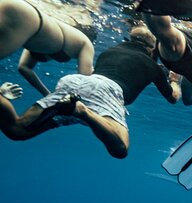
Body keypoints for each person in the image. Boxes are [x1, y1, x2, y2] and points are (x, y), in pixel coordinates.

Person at [0, 26, 179, 159]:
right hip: (105, 91)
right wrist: (174, 80)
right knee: (120, 149)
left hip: (73, 83)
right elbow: (173, 98)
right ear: (152, 49)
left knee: (17, 130)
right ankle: (81, 111)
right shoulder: (152, 65)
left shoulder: (109, 51)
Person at [0, 0, 94, 95]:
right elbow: (84, 84)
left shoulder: (60, 30)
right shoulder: (86, 43)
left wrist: (47, 94)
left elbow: (24, 67)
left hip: (23, 11)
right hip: (26, 16)